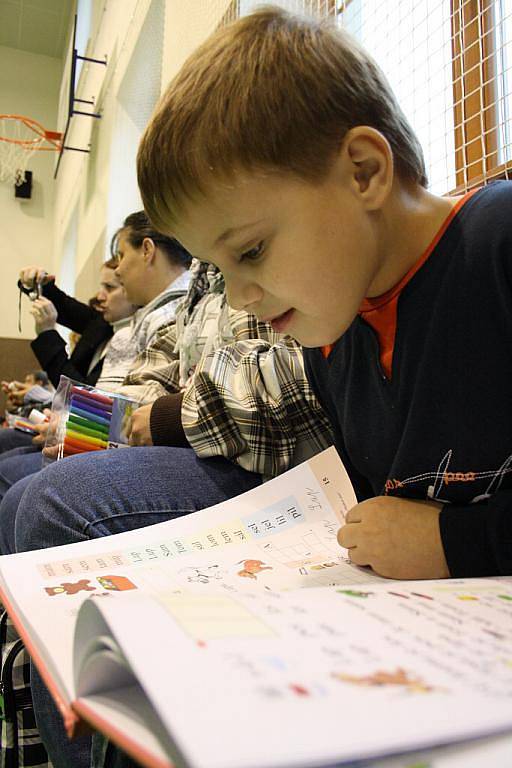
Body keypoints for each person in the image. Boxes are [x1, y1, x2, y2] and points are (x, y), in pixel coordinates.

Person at [133, 7, 512, 581]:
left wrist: (459, 541)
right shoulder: (331, 340)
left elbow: (435, 537)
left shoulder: (497, 243)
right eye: (217, 267)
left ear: (363, 172)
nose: (237, 298)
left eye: (252, 251)